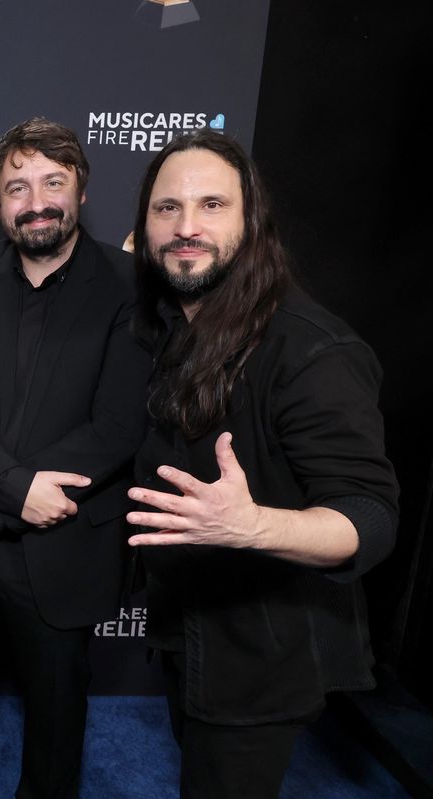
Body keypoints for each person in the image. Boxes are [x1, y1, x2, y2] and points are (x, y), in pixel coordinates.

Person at [125, 128, 398, 798]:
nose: (186, 227)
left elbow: (369, 517)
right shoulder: (175, 324)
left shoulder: (311, 350)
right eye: (167, 208)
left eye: (212, 205)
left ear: (252, 221)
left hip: (262, 662)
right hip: (186, 632)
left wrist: (249, 527)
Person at [0, 118, 152, 798]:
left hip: (60, 543)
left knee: (55, 722)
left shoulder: (130, 283)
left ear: (82, 189)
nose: (36, 201)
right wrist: (8, 494)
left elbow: (116, 426)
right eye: (17, 188)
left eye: (53, 182)